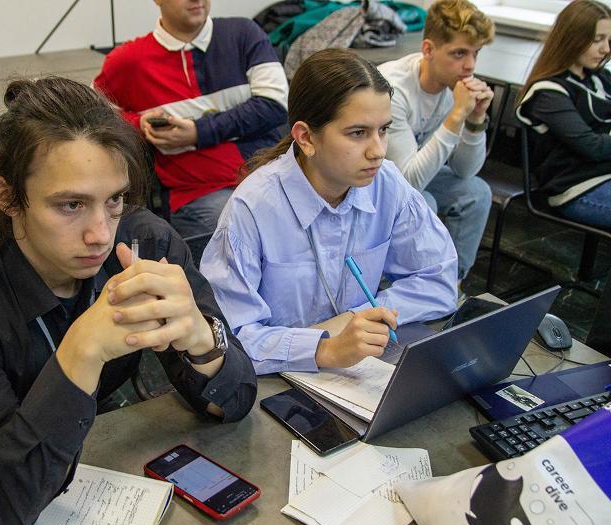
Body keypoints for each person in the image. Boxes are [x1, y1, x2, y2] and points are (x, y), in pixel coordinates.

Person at [0, 77, 257, 525]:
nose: (100, 234)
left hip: (97, 456)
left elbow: (235, 402)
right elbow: (2, 505)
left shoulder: (144, 242)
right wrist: (81, 351)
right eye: (71, 205)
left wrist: (204, 342)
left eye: (113, 200)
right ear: (7, 196)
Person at [200, 49, 458, 376]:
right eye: (358, 133)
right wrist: (324, 348)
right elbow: (225, 337)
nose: (378, 151)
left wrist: (354, 320)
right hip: (273, 378)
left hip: (356, 368)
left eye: (383, 130)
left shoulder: (387, 183)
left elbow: (440, 280)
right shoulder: (252, 208)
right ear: (306, 138)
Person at [93, 0, 289, 238]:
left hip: (271, 175)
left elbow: (275, 104)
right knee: (251, 226)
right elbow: (94, 115)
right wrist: (138, 125)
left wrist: (199, 132)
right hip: (201, 193)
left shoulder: (243, 34)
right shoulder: (128, 61)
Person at [378, 0, 494, 282]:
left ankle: (452, 284)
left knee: (476, 193)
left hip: (416, 175)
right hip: (372, 181)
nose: (470, 66)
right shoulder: (392, 89)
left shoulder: (455, 85)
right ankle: (415, 289)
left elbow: (465, 171)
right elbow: (409, 181)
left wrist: (475, 120)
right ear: (428, 49)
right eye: (459, 53)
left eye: (475, 53)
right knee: (423, 203)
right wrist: (457, 117)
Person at [516, 0, 611, 230]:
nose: (605, 49)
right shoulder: (548, 92)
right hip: (577, 190)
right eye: (597, 40)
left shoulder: (601, 78)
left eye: (609, 40)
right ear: (572, 38)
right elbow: (592, 147)